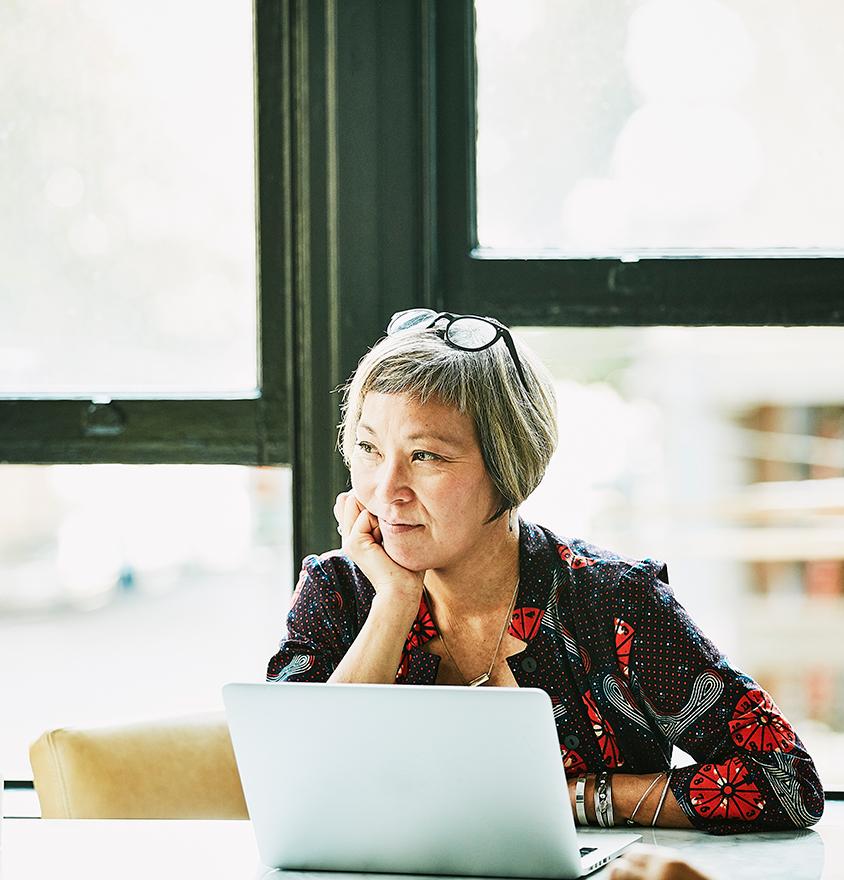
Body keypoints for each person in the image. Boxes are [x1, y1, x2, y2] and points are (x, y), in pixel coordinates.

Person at [267, 308, 824, 833]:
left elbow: (785, 784)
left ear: (508, 465)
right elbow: (292, 784)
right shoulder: (338, 591)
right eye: (368, 448)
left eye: (427, 456)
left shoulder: (615, 605)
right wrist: (391, 604)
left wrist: (574, 798)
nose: (386, 490)